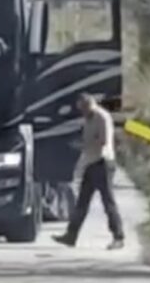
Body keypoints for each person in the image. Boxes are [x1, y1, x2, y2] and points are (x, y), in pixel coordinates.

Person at [54, 93, 125, 250]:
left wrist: (84, 145)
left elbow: (103, 141)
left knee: (108, 202)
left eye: (84, 109)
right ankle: (71, 235)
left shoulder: (101, 117)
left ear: (89, 105)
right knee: (82, 202)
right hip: (91, 163)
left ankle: (118, 237)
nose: (83, 113)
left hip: (102, 162)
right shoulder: (88, 119)